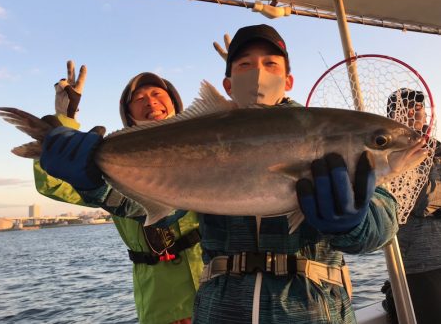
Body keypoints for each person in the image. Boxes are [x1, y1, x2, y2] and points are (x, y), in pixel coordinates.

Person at [38, 25, 401, 324]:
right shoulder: (208, 130)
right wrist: (93, 183)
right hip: (222, 309)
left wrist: (354, 223)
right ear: (227, 85)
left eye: (270, 64)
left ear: (288, 81)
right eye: (244, 65)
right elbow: (145, 207)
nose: (258, 72)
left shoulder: (327, 130)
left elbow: (381, 225)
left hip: (312, 308)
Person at [33, 63, 203, 324]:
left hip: (222, 295)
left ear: (174, 104)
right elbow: (54, 184)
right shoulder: (111, 160)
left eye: (158, 94)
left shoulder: (207, 148)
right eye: (139, 98)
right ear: (128, 113)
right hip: (162, 307)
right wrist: (64, 117)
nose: (150, 101)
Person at [382, 88, 441, 324]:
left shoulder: (438, 148)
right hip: (417, 267)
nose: (413, 111)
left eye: (418, 107)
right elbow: (421, 200)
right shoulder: (388, 152)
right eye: (405, 107)